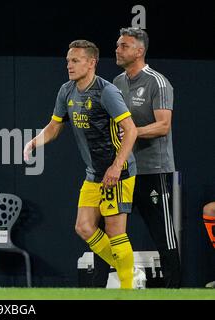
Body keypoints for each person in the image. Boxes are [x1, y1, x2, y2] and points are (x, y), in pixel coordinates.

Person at [24, 40, 138, 288]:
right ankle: (127, 269)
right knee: (84, 227)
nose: (69, 66)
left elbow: (130, 130)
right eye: (68, 61)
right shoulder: (66, 90)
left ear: (91, 62)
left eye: (75, 61)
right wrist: (35, 142)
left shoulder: (106, 91)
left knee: (115, 231)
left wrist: (117, 166)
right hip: (94, 173)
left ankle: (129, 287)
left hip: (117, 172)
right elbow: (54, 126)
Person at [92, 27, 181, 288]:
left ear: (139, 51)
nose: (117, 50)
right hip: (122, 171)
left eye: (124, 46)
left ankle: (173, 291)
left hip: (154, 170)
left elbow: (164, 125)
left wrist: (132, 132)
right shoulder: (116, 83)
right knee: (109, 229)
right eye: (118, 45)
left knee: (163, 235)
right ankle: (94, 290)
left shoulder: (158, 82)